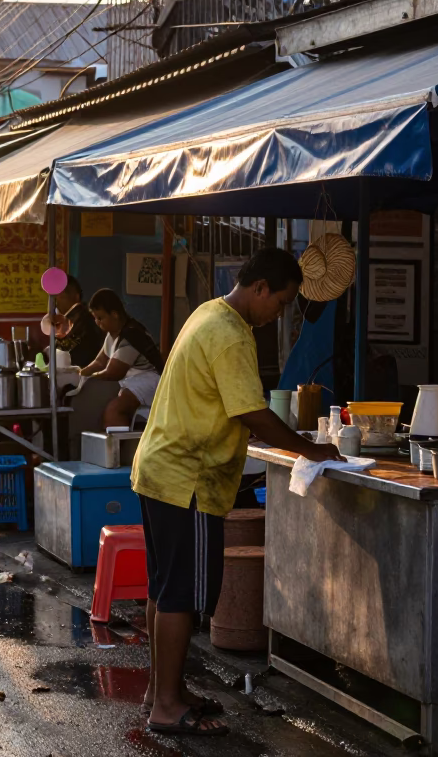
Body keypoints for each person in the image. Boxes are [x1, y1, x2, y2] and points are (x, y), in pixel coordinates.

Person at [132, 248, 340, 737]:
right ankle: (166, 705)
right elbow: (252, 412)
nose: (280, 313)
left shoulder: (208, 312)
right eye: (282, 301)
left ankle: (161, 692)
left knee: (163, 589)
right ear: (261, 288)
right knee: (181, 594)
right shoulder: (230, 334)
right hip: (188, 480)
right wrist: (309, 450)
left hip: (160, 469)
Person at [79, 289, 163, 428]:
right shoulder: (112, 334)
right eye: (95, 318)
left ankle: (119, 449)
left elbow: (114, 372)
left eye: (100, 318)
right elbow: (100, 362)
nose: (97, 322)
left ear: (115, 314)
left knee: (114, 410)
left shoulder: (132, 335)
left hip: (150, 380)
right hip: (131, 381)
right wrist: (79, 374)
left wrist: (90, 378)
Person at [39, 275, 103, 367]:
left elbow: (73, 355)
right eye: (54, 297)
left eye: (60, 296)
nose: (56, 301)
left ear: (76, 297)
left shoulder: (85, 321)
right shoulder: (66, 320)